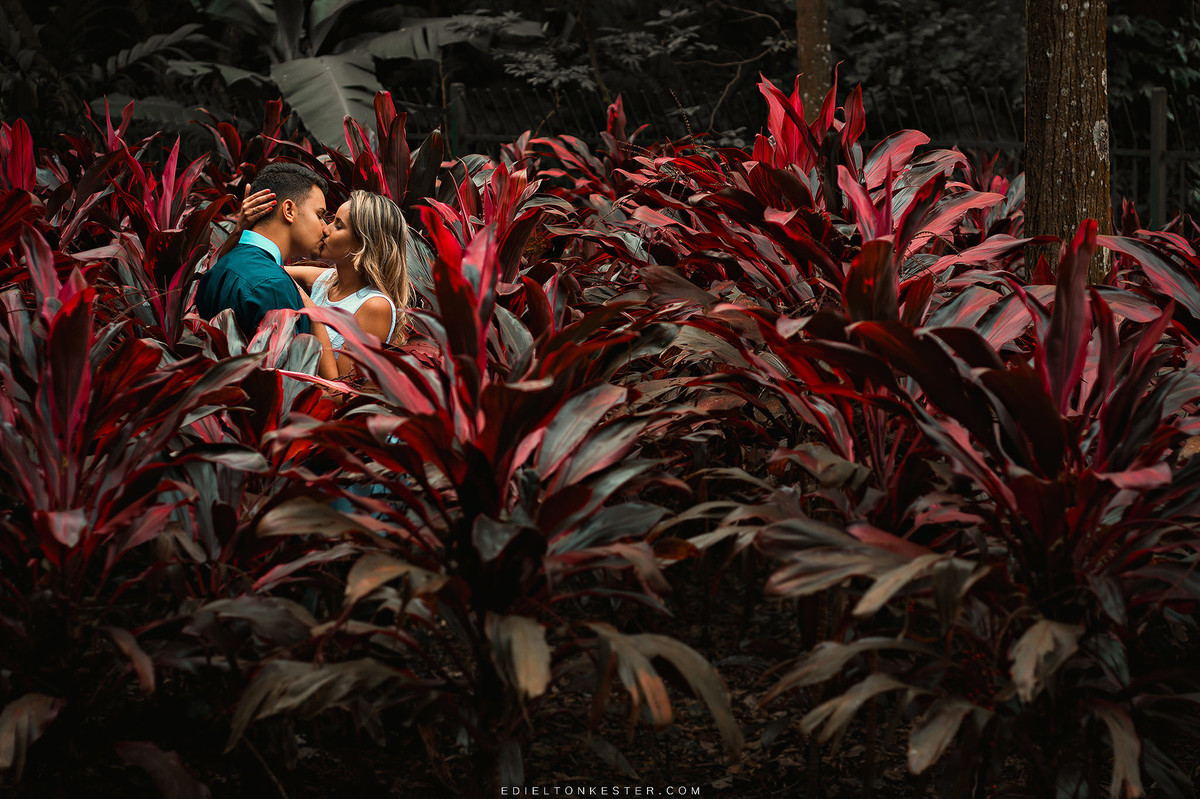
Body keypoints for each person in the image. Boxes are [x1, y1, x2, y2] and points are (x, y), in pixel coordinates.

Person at [236, 188, 411, 380]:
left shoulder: (375, 306)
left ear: (364, 244)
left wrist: (313, 313)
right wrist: (242, 229)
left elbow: (341, 389)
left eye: (338, 226)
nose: (325, 229)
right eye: (332, 220)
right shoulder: (325, 280)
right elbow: (257, 269)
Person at [195, 162, 330, 337]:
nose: (325, 227)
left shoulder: (218, 269)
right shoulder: (273, 285)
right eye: (319, 215)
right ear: (289, 210)